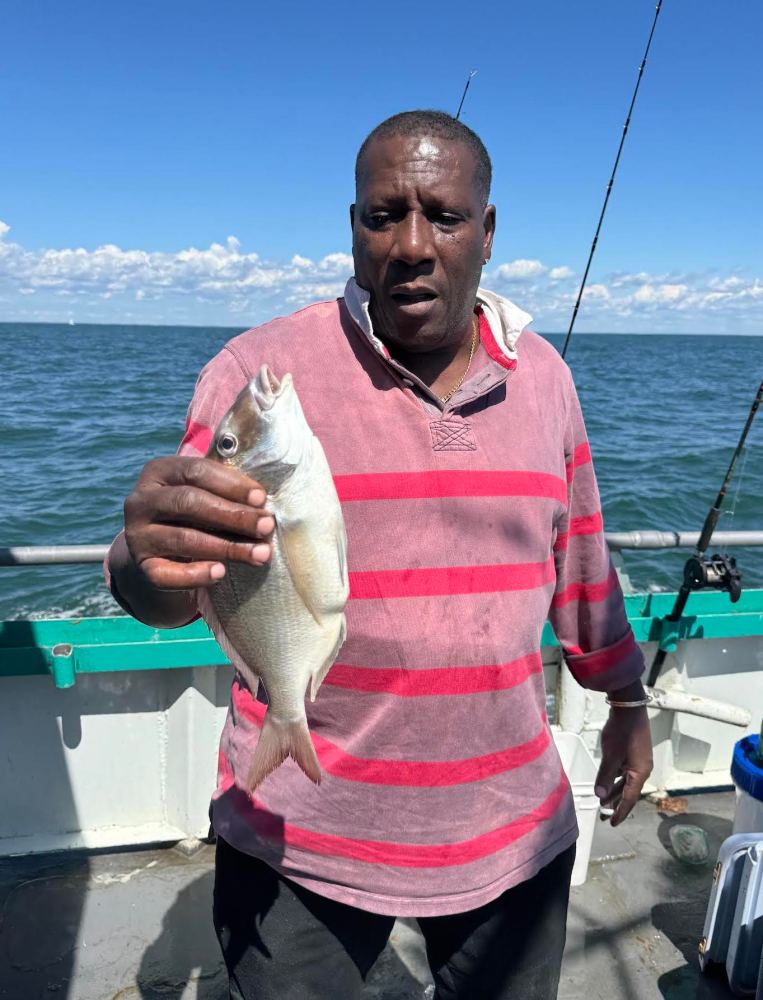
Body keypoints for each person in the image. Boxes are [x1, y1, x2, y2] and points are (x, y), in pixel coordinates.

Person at [107, 110, 653, 1000]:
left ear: (487, 231)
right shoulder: (256, 372)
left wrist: (623, 698)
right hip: (299, 830)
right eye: (379, 215)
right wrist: (143, 556)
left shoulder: (546, 379)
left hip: (511, 830)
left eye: (441, 216)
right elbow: (171, 586)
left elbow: (581, 567)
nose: (409, 244)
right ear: (352, 225)